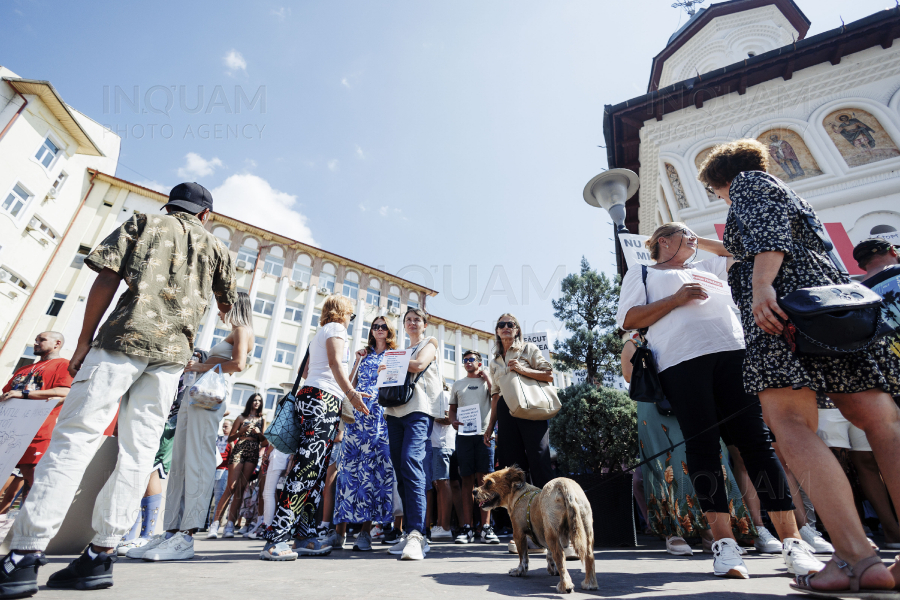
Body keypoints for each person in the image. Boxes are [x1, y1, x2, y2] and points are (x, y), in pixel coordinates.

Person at [0, 182, 236, 597]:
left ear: (172, 205)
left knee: (75, 438)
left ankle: (24, 554)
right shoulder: (218, 249)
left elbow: (107, 278)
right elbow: (229, 306)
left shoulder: (145, 221)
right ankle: (100, 555)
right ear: (205, 215)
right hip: (171, 358)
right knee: (140, 452)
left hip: (122, 342)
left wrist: (83, 340)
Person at [698, 139, 900, 595]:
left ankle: (854, 556)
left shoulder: (747, 185)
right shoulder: (783, 190)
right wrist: (706, 243)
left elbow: (767, 239)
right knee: (881, 420)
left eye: (715, 191)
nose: (720, 198)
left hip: (784, 313)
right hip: (834, 314)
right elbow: (747, 242)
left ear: (723, 179)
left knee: (789, 424)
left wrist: (762, 287)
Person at [616, 220, 821, 580]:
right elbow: (630, 318)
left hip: (733, 354)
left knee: (758, 445)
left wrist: (697, 240)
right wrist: (677, 299)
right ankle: (724, 545)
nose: (694, 239)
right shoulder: (643, 271)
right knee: (703, 448)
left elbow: (736, 251)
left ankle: (792, 542)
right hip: (681, 362)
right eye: (684, 234)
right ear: (663, 241)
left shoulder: (706, 265)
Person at [137, 293, 254, 561]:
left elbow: (237, 364)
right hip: (194, 398)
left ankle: (186, 535)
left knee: (197, 462)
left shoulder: (242, 329)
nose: (221, 310)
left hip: (208, 400)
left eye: (225, 305)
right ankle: (171, 532)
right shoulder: (234, 332)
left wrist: (201, 365)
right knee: (179, 461)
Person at [259, 294, 370, 560]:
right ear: (342, 312)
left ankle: (304, 535)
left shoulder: (322, 332)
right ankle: (277, 539)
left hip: (319, 399)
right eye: (351, 314)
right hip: (321, 400)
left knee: (317, 473)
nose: (350, 320)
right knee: (307, 467)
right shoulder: (336, 328)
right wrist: (352, 394)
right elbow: (333, 363)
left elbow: (309, 369)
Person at [620, 336, 752, 557]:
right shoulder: (633, 342)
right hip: (655, 406)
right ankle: (673, 533)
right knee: (664, 467)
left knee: (705, 458)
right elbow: (628, 375)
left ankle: (713, 532)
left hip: (691, 396)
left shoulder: (682, 329)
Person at [115, 348, 209, 557]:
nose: (189, 359)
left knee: (151, 468)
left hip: (170, 425)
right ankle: (132, 532)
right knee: (139, 468)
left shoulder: (198, 374)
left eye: (193, 357)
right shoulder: (172, 369)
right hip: (153, 419)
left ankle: (146, 533)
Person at [483, 313, 554, 555]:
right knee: (514, 472)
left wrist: (523, 369)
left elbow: (548, 374)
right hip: (505, 411)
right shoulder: (493, 361)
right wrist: (490, 425)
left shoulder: (529, 348)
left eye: (509, 324)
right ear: (496, 330)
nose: (505, 327)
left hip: (531, 408)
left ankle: (553, 531)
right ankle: (524, 534)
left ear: (517, 329)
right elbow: (495, 395)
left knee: (540, 460)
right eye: (500, 324)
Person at [381, 307, 441, 561]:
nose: (413, 322)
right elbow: (386, 375)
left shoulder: (430, 343)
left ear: (425, 325)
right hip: (394, 412)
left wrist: (390, 362)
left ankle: (418, 534)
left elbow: (418, 364)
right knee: (400, 469)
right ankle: (408, 532)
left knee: (411, 462)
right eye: (408, 320)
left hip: (419, 409)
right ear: (404, 326)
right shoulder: (400, 351)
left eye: (417, 319)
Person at [332, 316, 397, 552]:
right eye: (375, 326)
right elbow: (349, 382)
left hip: (379, 417)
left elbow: (397, 384)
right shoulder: (363, 354)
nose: (378, 329)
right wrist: (357, 362)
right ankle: (338, 533)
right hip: (356, 418)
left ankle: (365, 534)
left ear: (389, 331)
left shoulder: (394, 355)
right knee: (348, 473)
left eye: (383, 326)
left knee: (372, 474)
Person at [0, 333, 72, 514]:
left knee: (32, 479)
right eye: (36, 339)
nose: (36, 342)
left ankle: (27, 522)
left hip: (36, 431)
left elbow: (65, 393)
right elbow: (7, 394)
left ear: (57, 343)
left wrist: (24, 394)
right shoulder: (24, 369)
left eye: (42, 340)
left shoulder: (63, 364)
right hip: (8, 430)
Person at [449, 350, 498, 544]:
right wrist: (453, 421)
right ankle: (467, 527)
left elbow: (497, 396)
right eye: (465, 360)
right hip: (464, 436)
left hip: (485, 435)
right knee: (467, 481)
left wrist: (486, 377)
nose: (468, 362)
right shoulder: (458, 384)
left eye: (471, 360)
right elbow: (452, 408)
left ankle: (486, 527)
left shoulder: (488, 382)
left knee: (485, 481)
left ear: (479, 362)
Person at [217, 393, 265, 537]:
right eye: (254, 400)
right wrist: (241, 432)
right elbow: (230, 437)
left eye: (259, 401)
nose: (257, 403)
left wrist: (258, 433)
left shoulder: (262, 419)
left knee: (241, 488)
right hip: (240, 448)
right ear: (250, 402)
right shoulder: (240, 418)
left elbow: (263, 442)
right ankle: (216, 523)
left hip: (253, 451)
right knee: (231, 487)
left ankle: (230, 524)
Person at [429, 382, 455, 542]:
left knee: (442, 482)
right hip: (433, 444)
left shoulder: (444, 395)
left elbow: (449, 418)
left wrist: (428, 414)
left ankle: (445, 526)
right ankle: (439, 525)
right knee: (437, 484)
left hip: (441, 443)